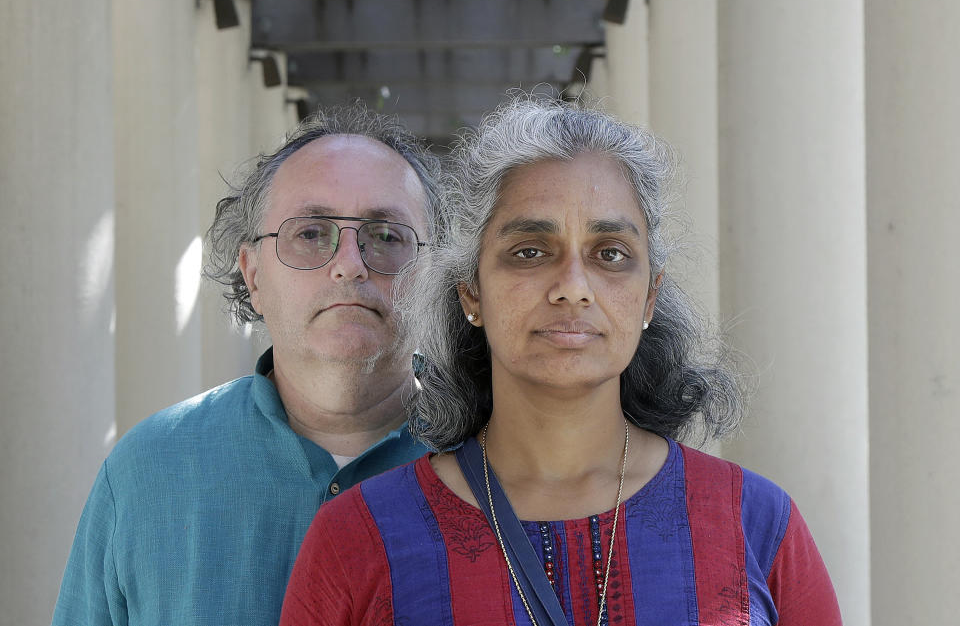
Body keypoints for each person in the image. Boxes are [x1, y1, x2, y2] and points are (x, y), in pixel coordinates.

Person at [279, 98, 843, 626]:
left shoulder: (755, 524)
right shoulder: (359, 537)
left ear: (650, 296)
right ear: (471, 291)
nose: (573, 287)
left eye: (611, 255)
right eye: (530, 252)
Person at [52, 104, 440, 626]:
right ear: (252, 275)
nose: (349, 264)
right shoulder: (145, 473)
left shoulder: (507, 469)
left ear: (437, 275)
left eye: (387, 236)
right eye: (310, 233)